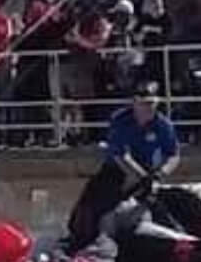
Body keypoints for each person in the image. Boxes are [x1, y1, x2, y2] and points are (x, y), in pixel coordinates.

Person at [64, 87, 180, 252]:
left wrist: (159, 174)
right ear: (134, 103)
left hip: (148, 172)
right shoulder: (120, 120)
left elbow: (173, 155)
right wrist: (141, 177)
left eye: (152, 104)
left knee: (160, 204)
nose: (149, 108)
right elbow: (120, 155)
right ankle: (79, 240)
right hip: (117, 169)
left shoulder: (163, 124)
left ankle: (177, 239)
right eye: (144, 104)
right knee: (92, 201)